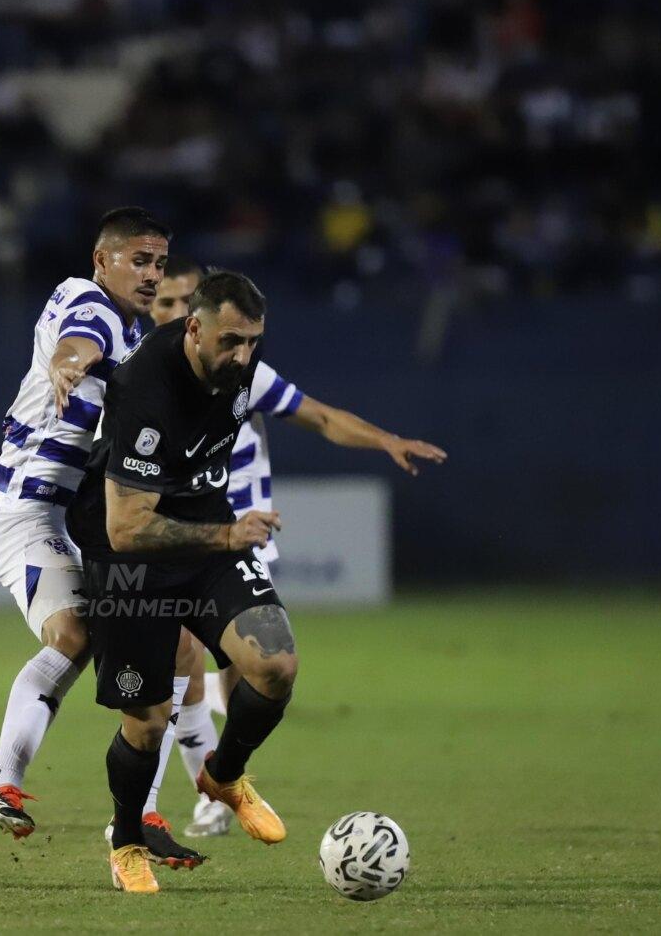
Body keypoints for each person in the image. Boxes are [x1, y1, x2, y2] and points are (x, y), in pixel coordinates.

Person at [143, 259, 449, 840]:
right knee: (180, 661)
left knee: (248, 673)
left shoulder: (240, 369)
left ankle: (221, 781)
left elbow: (321, 417)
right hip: (176, 539)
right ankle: (159, 807)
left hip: (240, 538)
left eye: (187, 300)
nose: (177, 312)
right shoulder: (144, 377)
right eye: (167, 302)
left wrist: (385, 440)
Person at [0, 208, 205, 869]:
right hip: (23, 519)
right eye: (141, 260)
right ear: (104, 260)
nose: (152, 274)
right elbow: (78, 342)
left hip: (67, 528)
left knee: (175, 648)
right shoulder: (88, 302)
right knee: (75, 635)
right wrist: (71, 364)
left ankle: (141, 813)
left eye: (160, 262)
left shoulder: (133, 340)